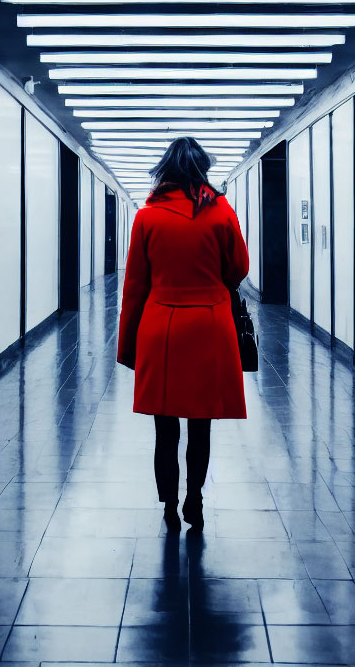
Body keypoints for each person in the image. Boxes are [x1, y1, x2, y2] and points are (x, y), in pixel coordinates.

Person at [117, 136, 249, 533]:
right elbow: (239, 267)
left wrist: (128, 346)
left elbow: (135, 286)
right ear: (202, 171)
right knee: (201, 424)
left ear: (166, 173)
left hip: (162, 328)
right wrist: (212, 287)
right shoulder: (222, 214)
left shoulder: (147, 218)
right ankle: (196, 498)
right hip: (210, 326)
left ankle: (169, 503)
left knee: (165, 425)